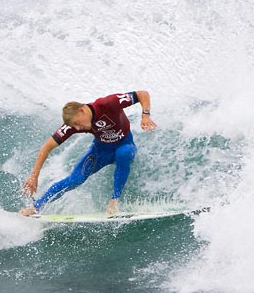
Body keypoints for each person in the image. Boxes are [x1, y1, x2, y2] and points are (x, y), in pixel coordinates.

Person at [19, 90, 157, 216]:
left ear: (81, 110)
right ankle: (36, 207)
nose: (78, 128)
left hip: (125, 145)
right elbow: (46, 147)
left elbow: (141, 94)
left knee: (124, 153)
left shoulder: (108, 104)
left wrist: (145, 115)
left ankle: (114, 203)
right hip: (100, 151)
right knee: (75, 179)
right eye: (74, 126)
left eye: (77, 123)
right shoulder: (74, 124)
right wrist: (34, 176)